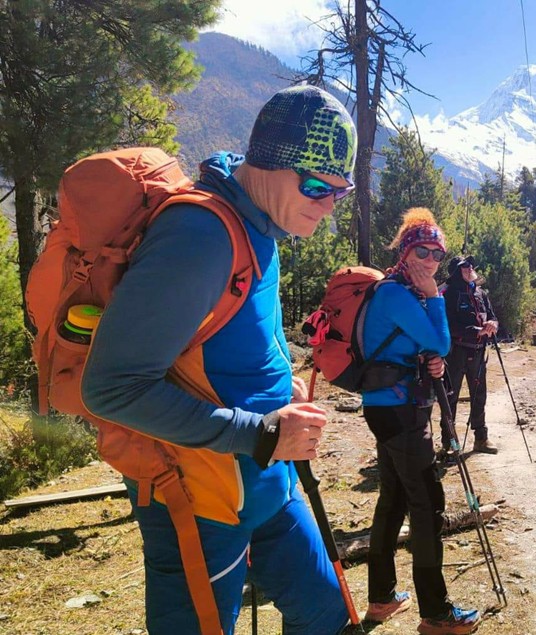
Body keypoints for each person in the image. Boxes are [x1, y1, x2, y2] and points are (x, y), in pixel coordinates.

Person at [81, 85, 357, 634]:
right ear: (267, 165)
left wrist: (283, 398)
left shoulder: (263, 227)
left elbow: (228, 345)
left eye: (340, 192)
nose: (327, 205)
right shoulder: (200, 234)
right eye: (315, 185)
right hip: (199, 499)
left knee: (326, 613)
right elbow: (110, 388)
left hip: (265, 484)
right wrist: (260, 433)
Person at [358, 208, 481, 635]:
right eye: (423, 250)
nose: (431, 259)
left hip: (390, 406)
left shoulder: (398, 293)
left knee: (392, 499)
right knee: (427, 504)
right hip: (400, 411)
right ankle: (436, 613)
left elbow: (423, 349)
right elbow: (441, 341)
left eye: (437, 252)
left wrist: (428, 361)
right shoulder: (397, 294)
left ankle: (382, 597)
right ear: (407, 250)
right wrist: (436, 297)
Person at [440, 255, 500, 454]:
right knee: (451, 397)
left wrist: (493, 325)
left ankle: (481, 439)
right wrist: (476, 330)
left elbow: (492, 317)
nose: (470, 268)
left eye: (470, 265)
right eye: (464, 266)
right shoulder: (448, 294)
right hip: (456, 352)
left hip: (479, 351)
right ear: (456, 271)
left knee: (479, 395)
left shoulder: (481, 293)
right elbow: (448, 325)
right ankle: (449, 444)